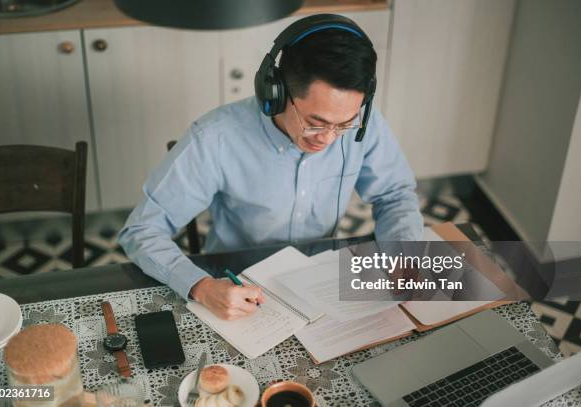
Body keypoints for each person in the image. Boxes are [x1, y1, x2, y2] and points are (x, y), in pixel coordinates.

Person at [118, 14, 423, 320]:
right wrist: (201, 286)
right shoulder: (215, 137)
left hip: (323, 280)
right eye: (315, 123)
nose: (329, 139)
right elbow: (142, 229)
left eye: (343, 124)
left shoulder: (364, 123)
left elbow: (394, 195)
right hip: (240, 284)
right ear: (274, 93)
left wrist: (404, 258)